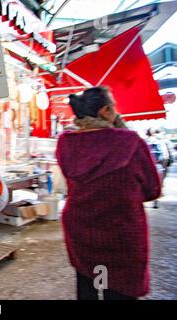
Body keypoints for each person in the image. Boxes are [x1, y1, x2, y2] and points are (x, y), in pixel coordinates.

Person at [56, 87, 162, 300]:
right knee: (120, 291)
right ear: (105, 110)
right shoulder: (130, 142)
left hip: (82, 231)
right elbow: (152, 189)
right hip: (121, 234)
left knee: (91, 285)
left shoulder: (66, 142)